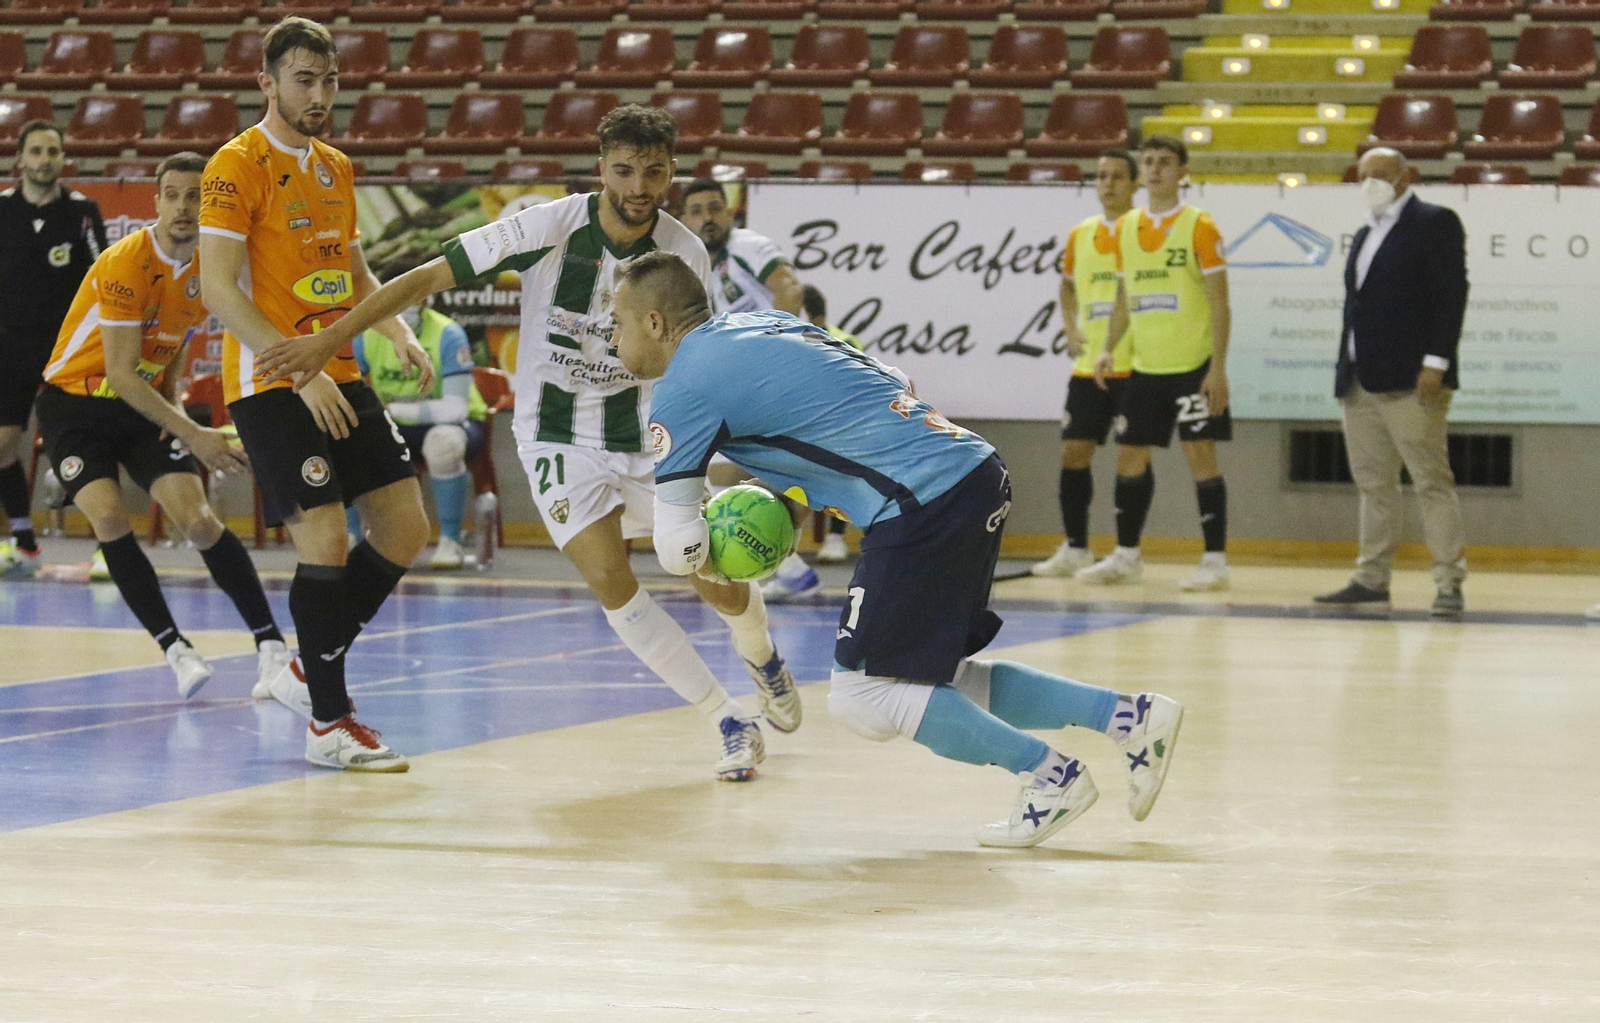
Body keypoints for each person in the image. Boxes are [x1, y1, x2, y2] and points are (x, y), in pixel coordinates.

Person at [253, 105, 802, 782]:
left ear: (671, 174)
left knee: (711, 573)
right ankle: (728, 719)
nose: (637, 185)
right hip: (556, 435)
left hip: (648, 431)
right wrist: (329, 339)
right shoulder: (549, 225)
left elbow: (699, 357)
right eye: (623, 170)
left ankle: (763, 654)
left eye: (653, 172)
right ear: (600, 169)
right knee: (611, 579)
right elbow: (427, 277)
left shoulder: (683, 250)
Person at [615, 251, 1184, 847]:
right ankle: (1132, 720)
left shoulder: (681, 390)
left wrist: (734, 544)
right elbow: (890, 383)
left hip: (922, 503)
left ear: (654, 324)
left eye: (619, 321)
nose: (613, 336)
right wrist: (793, 494)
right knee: (934, 677)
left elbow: (679, 547)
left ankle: (1051, 776)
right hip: (970, 472)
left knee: (864, 695)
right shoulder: (766, 324)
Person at [198, 16, 436, 773]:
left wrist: (394, 329)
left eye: (329, 79)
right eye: (304, 79)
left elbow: (357, 270)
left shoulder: (336, 165)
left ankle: (306, 667)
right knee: (326, 538)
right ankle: (330, 721)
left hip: (338, 368)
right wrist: (298, 371)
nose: (320, 94)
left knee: (405, 528)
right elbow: (216, 289)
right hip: (271, 378)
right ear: (266, 82)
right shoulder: (235, 166)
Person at [33, 153, 293, 696]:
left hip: (142, 407)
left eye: (194, 195)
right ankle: (175, 649)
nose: (182, 206)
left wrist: (173, 402)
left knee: (197, 519)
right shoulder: (126, 262)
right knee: (107, 516)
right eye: (172, 194)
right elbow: (124, 375)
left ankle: (272, 647)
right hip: (75, 408)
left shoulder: (209, 269)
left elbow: (174, 344)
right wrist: (192, 431)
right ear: (156, 201)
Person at [1314, 148, 1468, 617]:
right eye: (1363, 177)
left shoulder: (1434, 222)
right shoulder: (1366, 232)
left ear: (1406, 176)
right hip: (1360, 379)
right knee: (1374, 483)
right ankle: (1372, 577)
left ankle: (1448, 580)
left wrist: (1436, 362)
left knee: (1430, 480)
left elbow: (1451, 294)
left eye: (1380, 176)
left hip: (1411, 379)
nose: (1371, 184)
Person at [1082, 135, 1234, 592]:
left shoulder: (1199, 226)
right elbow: (1125, 298)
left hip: (1192, 366)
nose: (1154, 170)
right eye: (1148, 162)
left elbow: (1220, 304)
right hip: (1146, 368)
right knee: (1128, 456)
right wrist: (1110, 346)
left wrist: (1218, 368)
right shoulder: (1128, 226)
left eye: (1164, 163)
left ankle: (1215, 561)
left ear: (1182, 172)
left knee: (1200, 456)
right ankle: (1126, 555)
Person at [678, 178, 824, 599]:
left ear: (730, 213)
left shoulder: (747, 245)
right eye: (697, 211)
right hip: (741, 382)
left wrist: (770, 348)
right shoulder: (690, 267)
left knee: (747, 468)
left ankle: (784, 565)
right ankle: (789, 568)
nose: (707, 218)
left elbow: (789, 287)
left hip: (775, 373)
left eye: (714, 208)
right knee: (719, 470)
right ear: (685, 220)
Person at [0, 120, 107, 576]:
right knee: (4, 444)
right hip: (9, 347)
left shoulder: (82, 211)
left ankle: (108, 544)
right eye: (37, 152)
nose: (46, 160)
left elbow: (104, 276)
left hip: (66, 351)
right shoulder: (2, 209)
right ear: (20, 159)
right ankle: (23, 541)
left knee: (87, 443)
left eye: (54, 152)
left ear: (64, 159)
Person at [1032, 149, 1138, 578]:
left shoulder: (1141, 230)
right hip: (1087, 365)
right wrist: (1071, 329)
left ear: (1134, 184)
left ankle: (1128, 553)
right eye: (1100, 176)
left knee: (1131, 460)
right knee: (1074, 452)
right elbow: (1066, 287)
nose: (1107, 184)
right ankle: (1077, 547)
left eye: (1116, 176)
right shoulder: (1081, 234)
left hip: (1136, 363)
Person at [352, 291, 489, 570]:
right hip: (392, 427)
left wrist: (395, 411)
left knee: (443, 444)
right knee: (344, 441)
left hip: (453, 426)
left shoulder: (448, 334)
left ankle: (450, 541)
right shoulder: (366, 335)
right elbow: (347, 390)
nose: (405, 310)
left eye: (411, 301)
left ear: (424, 301)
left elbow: (455, 410)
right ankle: (351, 538)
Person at [800, 282, 858, 564]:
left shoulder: (843, 342)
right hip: (801, 423)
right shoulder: (787, 340)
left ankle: (836, 538)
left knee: (837, 470)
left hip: (844, 424)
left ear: (816, 318)